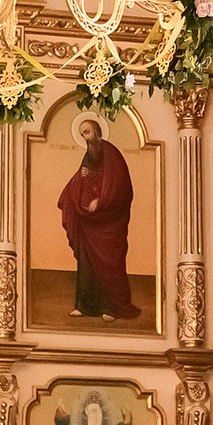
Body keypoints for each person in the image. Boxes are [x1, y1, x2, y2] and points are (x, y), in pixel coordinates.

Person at [56, 113, 137, 319]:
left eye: (87, 132)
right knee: (86, 263)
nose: (85, 137)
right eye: (82, 133)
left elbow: (120, 187)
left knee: (111, 262)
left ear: (98, 132)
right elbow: (84, 179)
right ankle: (85, 306)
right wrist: (81, 178)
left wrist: (100, 202)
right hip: (88, 221)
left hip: (109, 221)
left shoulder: (112, 154)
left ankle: (111, 308)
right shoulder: (89, 154)